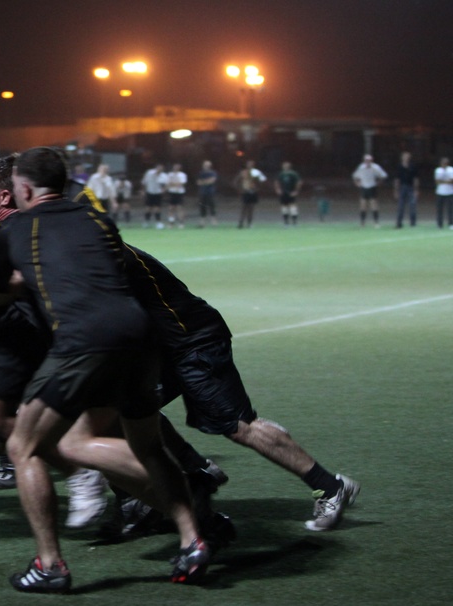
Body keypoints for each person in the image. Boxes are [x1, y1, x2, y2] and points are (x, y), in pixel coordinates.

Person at [0, 147, 211, 591]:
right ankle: (194, 536)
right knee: (148, 447)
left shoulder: (19, 229)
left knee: (25, 447)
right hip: (141, 340)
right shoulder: (96, 219)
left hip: (85, 343)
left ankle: (50, 565)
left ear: (22, 190)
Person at [112, 243, 361, 533]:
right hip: (163, 348)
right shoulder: (87, 248)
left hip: (193, 341)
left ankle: (330, 487)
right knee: (120, 409)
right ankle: (192, 474)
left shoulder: (105, 254)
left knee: (240, 426)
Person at [352, 154, 387, 228]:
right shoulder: (361, 167)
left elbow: (383, 175)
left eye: (369, 160)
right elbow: (355, 176)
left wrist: (379, 182)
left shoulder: (375, 167)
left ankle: (376, 222)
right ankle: (362, 222)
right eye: (366, 160)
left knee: (374, 205)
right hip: (364, 187)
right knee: (363, 205)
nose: (367, 162)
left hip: (372, 187)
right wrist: (357, 183)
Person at [233, 160, 266, 229]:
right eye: (248, 164)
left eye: (251, 164)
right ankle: (241, 223)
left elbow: (263, 180)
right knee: (244, 207)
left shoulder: (256, 172)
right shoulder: (243, 172)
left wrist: (258, 188)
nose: (250, 165)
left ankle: (249, 223)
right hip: (245, 191)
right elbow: (236, 181)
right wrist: (240, 190)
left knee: (251, 208)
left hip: (253, 191)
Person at [394, 151, 419, 228]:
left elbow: (416, 179)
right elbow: (397, 179)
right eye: (405, 157)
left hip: (410, 187)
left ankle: (413, 222)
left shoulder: (413, 166)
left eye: (407, 157)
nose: (406, 158)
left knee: (412, 205)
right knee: (400, 206)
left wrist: (416, 190)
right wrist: (396, 190)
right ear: (402, 158)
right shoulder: (399, 167)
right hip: (402, 187)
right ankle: (399, 222)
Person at [274, 161, 303, 226]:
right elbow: (276, 182)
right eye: (284, 166)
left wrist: (296, 191)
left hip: (291, 192)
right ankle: (286, 222)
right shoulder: (281, 174)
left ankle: (294, 221)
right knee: (284, 207)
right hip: (283, 192)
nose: (285, 167)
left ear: (289, 166)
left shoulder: (293, 174)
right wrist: (278, 190)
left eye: (287, 166)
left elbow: (299, 182)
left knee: (292, 206)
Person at [141, 162, 168, 229]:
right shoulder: (150, 173)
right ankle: (146, 222)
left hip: (158, 193)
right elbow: (144, 182)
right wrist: (143, 191)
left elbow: (166, 184)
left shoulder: (164, 176)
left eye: (161, 168)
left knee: (157, 208)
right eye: (158, 168)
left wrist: (164, 190)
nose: (159, 169)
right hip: (150, 192)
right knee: (148, 208)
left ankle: (158, 222)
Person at [166, 163, 188, 228]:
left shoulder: (182, 175)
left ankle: (181, 223)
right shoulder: (170, 174)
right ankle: (171, 223)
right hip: (172, 192)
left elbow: (181, 184)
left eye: (177, 167)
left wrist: (173, 183)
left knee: (179, 208)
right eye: (175, 167)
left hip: (179, 193)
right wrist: (174, 184)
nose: (176, 168)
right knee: (171, 208)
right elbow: (168, 183)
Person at [196, 160, 218, 227]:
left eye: (207, 165)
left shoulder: (213, 173)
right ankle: (202, 222)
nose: (206, 166)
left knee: (212, 206)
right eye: (205, 165)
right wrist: (207, 181)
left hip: (210, 192)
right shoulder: (200, 173)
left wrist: (203, 182)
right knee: (202, 207)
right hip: (202, 192)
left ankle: (214, 221)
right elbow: (198, 182)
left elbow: (212, 181)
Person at [435, 157, 453, 229]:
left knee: (450, 209)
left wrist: (443, 181)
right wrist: (446, 181)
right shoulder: (438, 170)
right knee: (439, 209)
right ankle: (439, 224)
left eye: (445, 163)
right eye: (443, 163)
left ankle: (451, 223)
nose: (444, 164)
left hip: (450, 192)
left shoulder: (451, 170)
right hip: (440, 192)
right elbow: (437, 181)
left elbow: (451, 181)